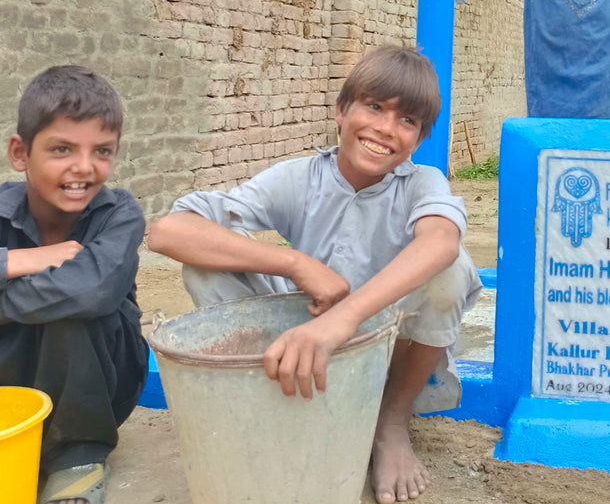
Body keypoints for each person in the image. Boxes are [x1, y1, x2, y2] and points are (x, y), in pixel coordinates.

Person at [147, 45, 481, 504]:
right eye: (375, 107)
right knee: (205, 264)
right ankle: (275, 398)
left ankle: (391, 422)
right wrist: (295, 264)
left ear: (418, 141)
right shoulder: (299, 178)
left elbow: (440, 241)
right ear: (341, 111)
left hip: (379, 338)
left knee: (451, 268)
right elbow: (168, 231)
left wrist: (341, 321)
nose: (385, 129)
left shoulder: (421, 183)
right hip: (298, 330)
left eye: (407, 121)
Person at [0, 65, 147, 504]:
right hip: (14, 379)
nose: (84, 168)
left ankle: (78, 456)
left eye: (102, 151)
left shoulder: (119, 214)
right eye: (62, 149)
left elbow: (91, 291)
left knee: (76, 309)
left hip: (95, 385)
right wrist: (22, 259)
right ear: (21, 153)